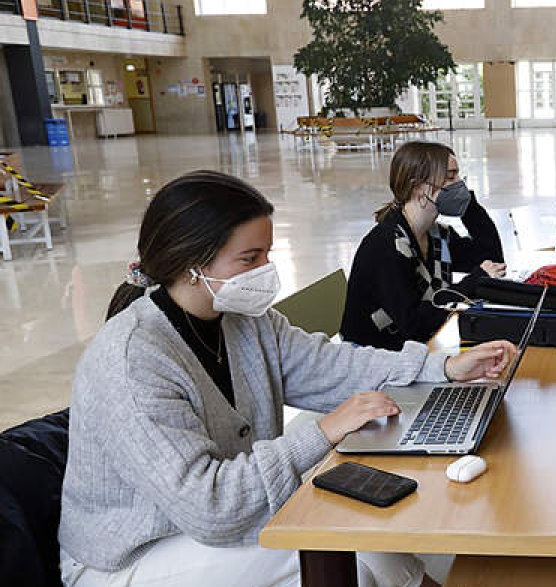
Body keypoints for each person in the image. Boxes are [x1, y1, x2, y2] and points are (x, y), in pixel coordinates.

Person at [59, 170, 517, 587]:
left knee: (364, 537)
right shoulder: (133, 360)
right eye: (249, 258)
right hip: (130, 557)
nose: (264, 271)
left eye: (267, 254)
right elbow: (210, 506)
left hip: (208, 523)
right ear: (189, 264)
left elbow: (330, 366)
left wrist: (443, 368)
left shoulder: (242, 318)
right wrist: (323, 432)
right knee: (339, 556)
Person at [341, 141, 505, 348]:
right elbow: (415, 323)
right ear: (418, 186)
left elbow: (491, 259)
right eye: (450, 177)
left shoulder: (436, 235)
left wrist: (467, 205)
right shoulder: (386, 245)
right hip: (375, 355)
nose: (458, 184)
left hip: (417, 344)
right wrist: (472, 283)